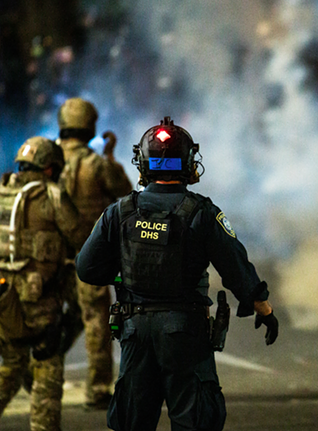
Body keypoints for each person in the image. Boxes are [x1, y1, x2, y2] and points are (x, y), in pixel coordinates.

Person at [76, 116, 279, 431]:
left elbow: (86, 268)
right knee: (194, 419)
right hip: (185, 331)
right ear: (187, 163)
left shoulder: (120, 212)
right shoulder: (202, 213)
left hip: (134, 330)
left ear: (144, 163)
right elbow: (235, 266)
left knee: (132, 422)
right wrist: (262, 307)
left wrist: (125, 273)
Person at [0, 137, 89, 431]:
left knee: (11, 365)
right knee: (47, 365)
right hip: (39, 298)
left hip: (1, 297)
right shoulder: (51, 195)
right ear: (50, 169)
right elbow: (80, 238)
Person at [56, 97, 133, 409]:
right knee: (96, 320)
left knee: (54, 318)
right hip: (88, 258)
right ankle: (98, 389)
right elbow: (127, 193)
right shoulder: (97, 165)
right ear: (90, 127)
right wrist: (111, 157)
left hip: (50, 257)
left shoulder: (46, 159)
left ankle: (39, 370)